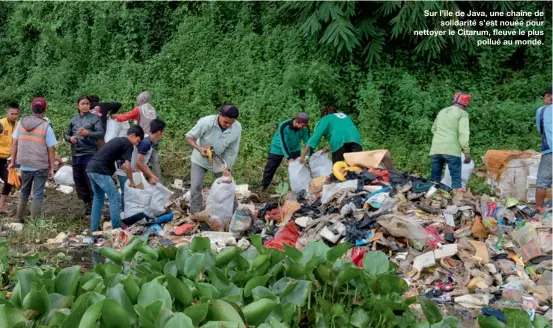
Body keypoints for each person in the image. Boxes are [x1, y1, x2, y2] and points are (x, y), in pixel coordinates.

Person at [185, 104, 241, 214]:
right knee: (196, 187)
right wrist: (199, 149)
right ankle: (195, 213)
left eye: (231, 122)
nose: (228, 125)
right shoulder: (206, 122)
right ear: (219, 115)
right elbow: (189, 137)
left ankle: (233, 212)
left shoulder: (237, 128)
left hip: (219, 160)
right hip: (199, 159)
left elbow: (232, 150)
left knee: (227, 185)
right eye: (226, 122)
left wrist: (226, 168)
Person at [86, 125, 144, 232]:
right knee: (115, 198)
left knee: (98, 198)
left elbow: (121, 165)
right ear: (133, 135)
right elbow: (127, 166)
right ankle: (117, 229)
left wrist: (134, 170)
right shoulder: (128, 144)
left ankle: (94, 229)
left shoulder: (119, 141)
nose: (137, 144)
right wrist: (131, 181)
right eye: (138, 140)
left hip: (91, 168)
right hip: (100, 170)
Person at [8, 98, 57, 223]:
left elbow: (14, 144)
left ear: (32, 108)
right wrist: (52, 167)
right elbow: (51, 149)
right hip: (40, 165)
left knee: (24, 191)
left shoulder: (21, 123)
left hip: (24, 164)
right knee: (38, 194)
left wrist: (13, 161)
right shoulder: (46, 126)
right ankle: (35, 221)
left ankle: (19, 218)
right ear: (44, 110)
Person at [64, 96, 105, 215]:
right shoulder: (73, 120)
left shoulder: (95, 119)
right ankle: (86, 204)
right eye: (82, 103)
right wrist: (70, 138)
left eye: (87, 103)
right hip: (76, 154)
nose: (85, 105)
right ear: (78, 106)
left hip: (90, 153)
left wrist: (88, 133)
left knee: (90, 179)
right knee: (79, 179)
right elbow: (66, 134)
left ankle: (96, 204)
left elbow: (100, 133)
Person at [115, 119, 165, 213]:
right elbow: (139, 162)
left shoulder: (146, 139)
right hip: (124, 170)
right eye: (163, 132)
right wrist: (151, 175)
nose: (162, 135)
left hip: (133, 171)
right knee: (126, 193)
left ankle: (131, 213)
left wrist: (149, 175)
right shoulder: (146, 142)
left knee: (134, 192)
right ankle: (124, 214)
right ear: (159, 132)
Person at [429, 92, 472, 192]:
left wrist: (441, 137)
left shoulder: (442, 111)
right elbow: (463, 134)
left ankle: (431, 196)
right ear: (465, 104)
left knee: (434, 179)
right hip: (451, 149)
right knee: (456, 179)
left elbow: (433, 129)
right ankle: (456, 198)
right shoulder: (462, 113)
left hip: (436, 148)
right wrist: (466, 151)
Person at [114, 91, 161, 179]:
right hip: (154, 138)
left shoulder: (139, 109)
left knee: (137, 162)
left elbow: (125, 117)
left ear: (140, 99)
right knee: (154, 161)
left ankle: (137, 181)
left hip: (143, 139)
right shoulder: (152, 108)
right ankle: (158, 182)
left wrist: (115, 116)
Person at [261, 112, 310, 191]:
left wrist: (310, 153)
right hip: (278, 147)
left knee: (297, 168)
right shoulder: (284, 126)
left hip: (294, 147)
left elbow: (308, 142)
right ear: (297, 122)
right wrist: (289, 158)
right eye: (303, 125)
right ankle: (264, 187)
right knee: (271, 167)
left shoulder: (305, 128)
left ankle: (297, 188)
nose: (304, 127)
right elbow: (283, 142)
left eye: (305, 125)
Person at [0, 102, 19, 212]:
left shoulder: (17, 125)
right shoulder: (1, 124)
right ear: (7, 113)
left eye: (16, 114)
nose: (14, 116)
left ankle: (1, 206)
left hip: (6, 160)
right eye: (12, 113)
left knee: (9, 181)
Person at [536, 86, 552, 211]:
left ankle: (539, 210)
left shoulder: (542, 111)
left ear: (549, 96)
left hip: (549, 151)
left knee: (542, 183)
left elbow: (540, 130)